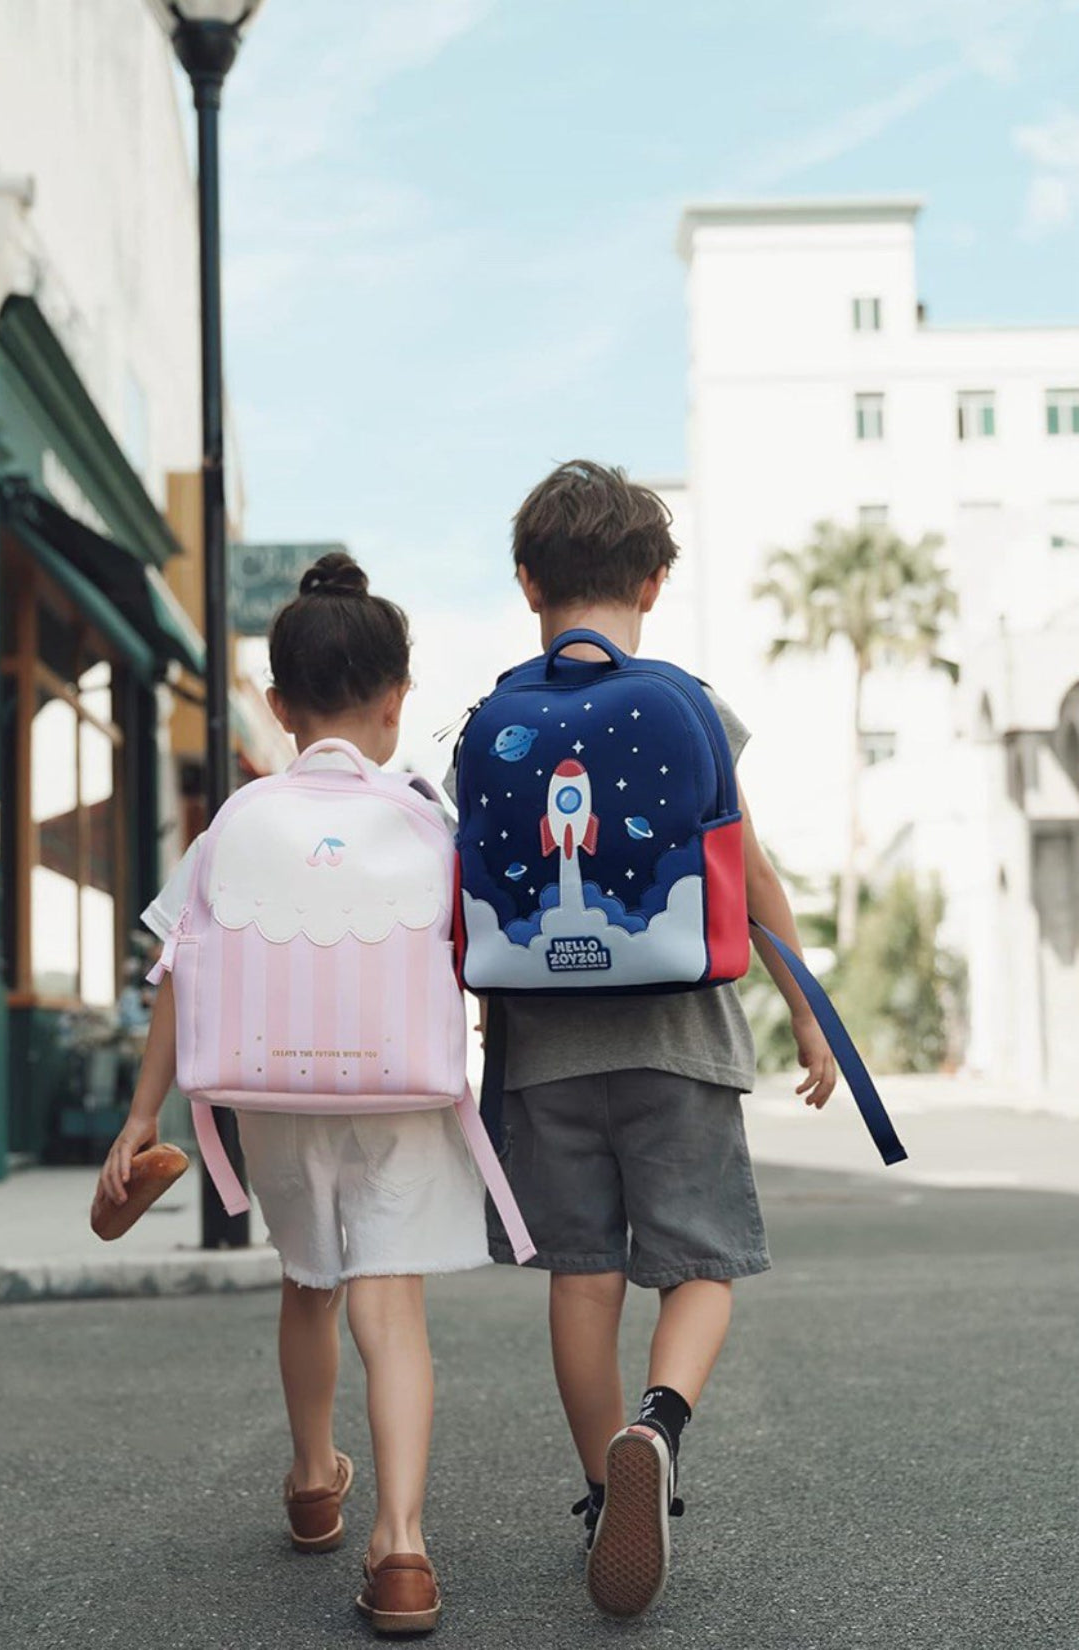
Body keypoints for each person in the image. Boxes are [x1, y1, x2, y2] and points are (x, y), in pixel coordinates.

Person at [466, 461, 837, 1620]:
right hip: (683, 1040)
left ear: (528, 584)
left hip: (541, 1051)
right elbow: (752, 872)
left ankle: (600, 1490)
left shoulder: (493, 721)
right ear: (657, 583)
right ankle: (658, 1426)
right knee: (703, 1267)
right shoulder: (693, 704)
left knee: (583, 1283)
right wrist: (809, 1009)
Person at [99, 551, 488, 1637]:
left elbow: (178, 967)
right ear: (397, 701)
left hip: (272, 1093)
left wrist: (142, 1116)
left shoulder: (239, 821)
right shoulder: (426, 817)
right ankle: (402, 1547)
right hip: (398, 1092)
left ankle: (317, 1477)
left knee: (309, 1279)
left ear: (276, 703)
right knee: (389, 1301)